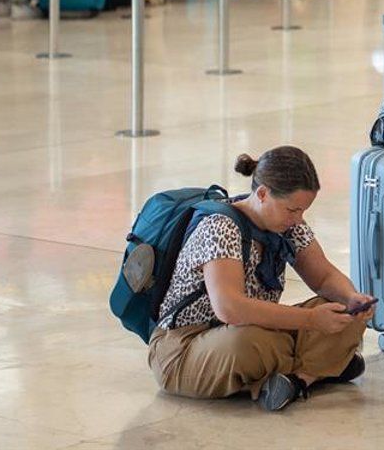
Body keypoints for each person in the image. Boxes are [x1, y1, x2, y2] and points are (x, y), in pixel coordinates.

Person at [148, 147, 371, 410]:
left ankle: (299, 379)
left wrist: (351, 298)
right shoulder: (220, 226)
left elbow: (323, 277)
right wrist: (311, 320)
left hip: (254, 327)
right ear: (263, 194)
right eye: (292, 210)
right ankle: (326, 363)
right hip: (186, 346)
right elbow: (231, 309)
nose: (298, 219)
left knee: (343, 313)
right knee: (248, 343)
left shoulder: (287, 225)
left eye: (303, 211)